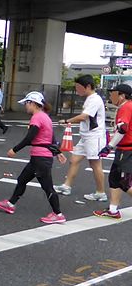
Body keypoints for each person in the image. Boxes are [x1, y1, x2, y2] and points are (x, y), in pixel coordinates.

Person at [0, 91, 67, 223]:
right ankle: (10, 204)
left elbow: (30, 137)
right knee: (22, 179)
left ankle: (58, 214)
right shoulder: (45, 117)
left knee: (47, 187)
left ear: (33, 103)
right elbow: (52, 138)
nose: (25, 106)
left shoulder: (37, 117)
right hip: (39, 158)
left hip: (40, 158)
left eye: (26, 103)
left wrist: (14, 150)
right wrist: (57, 152)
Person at [54, 74, 107, 201]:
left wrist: (67, 120)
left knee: (95, 164)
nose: (77, 90)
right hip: (86, 137)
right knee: (74, 160)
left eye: (78, 87)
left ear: (88, 86)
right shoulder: (89, 98)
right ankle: (66, 186)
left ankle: (101, 193)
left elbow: (84, 117)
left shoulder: (95, 99)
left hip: (95, 137)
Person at [93, 84, 132, 219]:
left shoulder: (126, 107)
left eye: (113, 94)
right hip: (124, 149)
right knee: (114, 179)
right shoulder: (127, 106)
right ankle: (113, 210)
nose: (111, 96)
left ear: (122, 95)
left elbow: (123, 129)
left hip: (127, 150)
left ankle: (113, 210)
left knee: (124, 182)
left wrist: (109, 146)